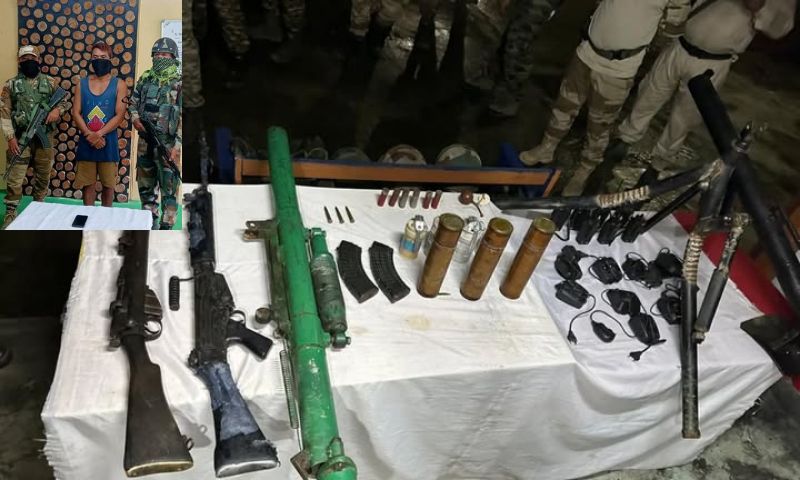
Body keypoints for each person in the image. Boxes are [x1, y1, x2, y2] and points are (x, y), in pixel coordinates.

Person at [518, 0, 691, 196]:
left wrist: (636, 40)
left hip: (618, 68)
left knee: (599, 125)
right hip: (586, 52)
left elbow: (670, 32)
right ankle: (546, 147)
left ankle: (584, 170)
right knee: (564, 106)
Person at [609, 0, 796, 176]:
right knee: (648, 95)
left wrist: (759, 8)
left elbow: (780, 28)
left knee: (684, 118)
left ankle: (656, 166)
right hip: (680, 44)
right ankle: (622, 141)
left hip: (713, 62)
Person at [0, 45, 71, 228]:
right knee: (15, 177)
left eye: (32, 58)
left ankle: (39, 208)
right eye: (24, 59)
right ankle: (10, 212)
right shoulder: (10, 85)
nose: (28, 61)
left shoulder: (50, 82)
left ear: (38, 60)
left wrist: (57, 111)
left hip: (44, 138)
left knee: (43, 175)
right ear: (19, 61)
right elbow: (4, 112)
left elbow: (65, 100)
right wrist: (10, 137)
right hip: (19, 138)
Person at [129, 38, 182, 230]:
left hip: (168, 145)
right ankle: (148, 222)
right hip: (145, 142)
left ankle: (166, 227)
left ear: (173, 57)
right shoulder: (145, 78)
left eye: (165, 54)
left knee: (169, 187)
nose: (160, 57)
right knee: (146, 186)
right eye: (157, 54)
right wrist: (135, 119)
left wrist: (177, 146)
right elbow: (133, 103)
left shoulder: (179, 83)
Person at [72, 42, 127, 207]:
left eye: (103, 57)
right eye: (95, 57)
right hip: (87, 141)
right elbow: (76, 112)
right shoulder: (81, 84)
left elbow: (120, 115)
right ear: (90, 59)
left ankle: (106, 217)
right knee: (87, 184)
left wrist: (98, 134)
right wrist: (89, 134)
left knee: (108, 186)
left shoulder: (119, 84)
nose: (99, 60)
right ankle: (88, 216)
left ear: (110, 59)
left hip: (108, 142)